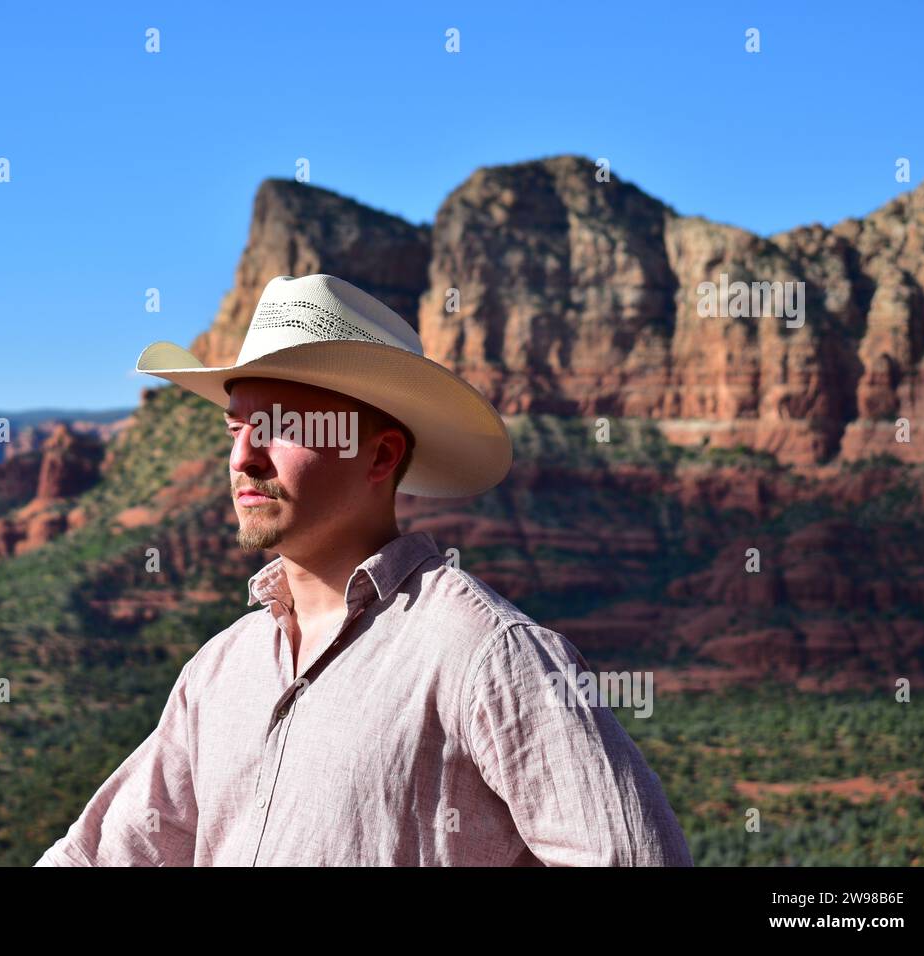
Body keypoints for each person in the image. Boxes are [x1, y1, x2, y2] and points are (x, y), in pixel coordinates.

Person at [36, 273, 692, 866]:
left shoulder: (485, 655)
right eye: (234, 430)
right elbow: (103, 856)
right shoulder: (219, 671)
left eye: (278, 428)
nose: (243, 457)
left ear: (379, 457)